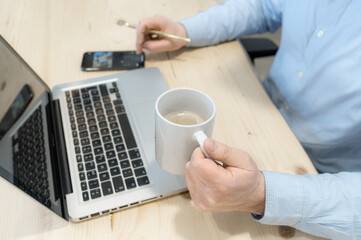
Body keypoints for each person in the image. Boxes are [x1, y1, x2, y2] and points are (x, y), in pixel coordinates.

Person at [135, 0, 361, 239]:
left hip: (320, 180)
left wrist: (260, 195)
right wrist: (186, 31)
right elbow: (263, 7)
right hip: (262, 119)